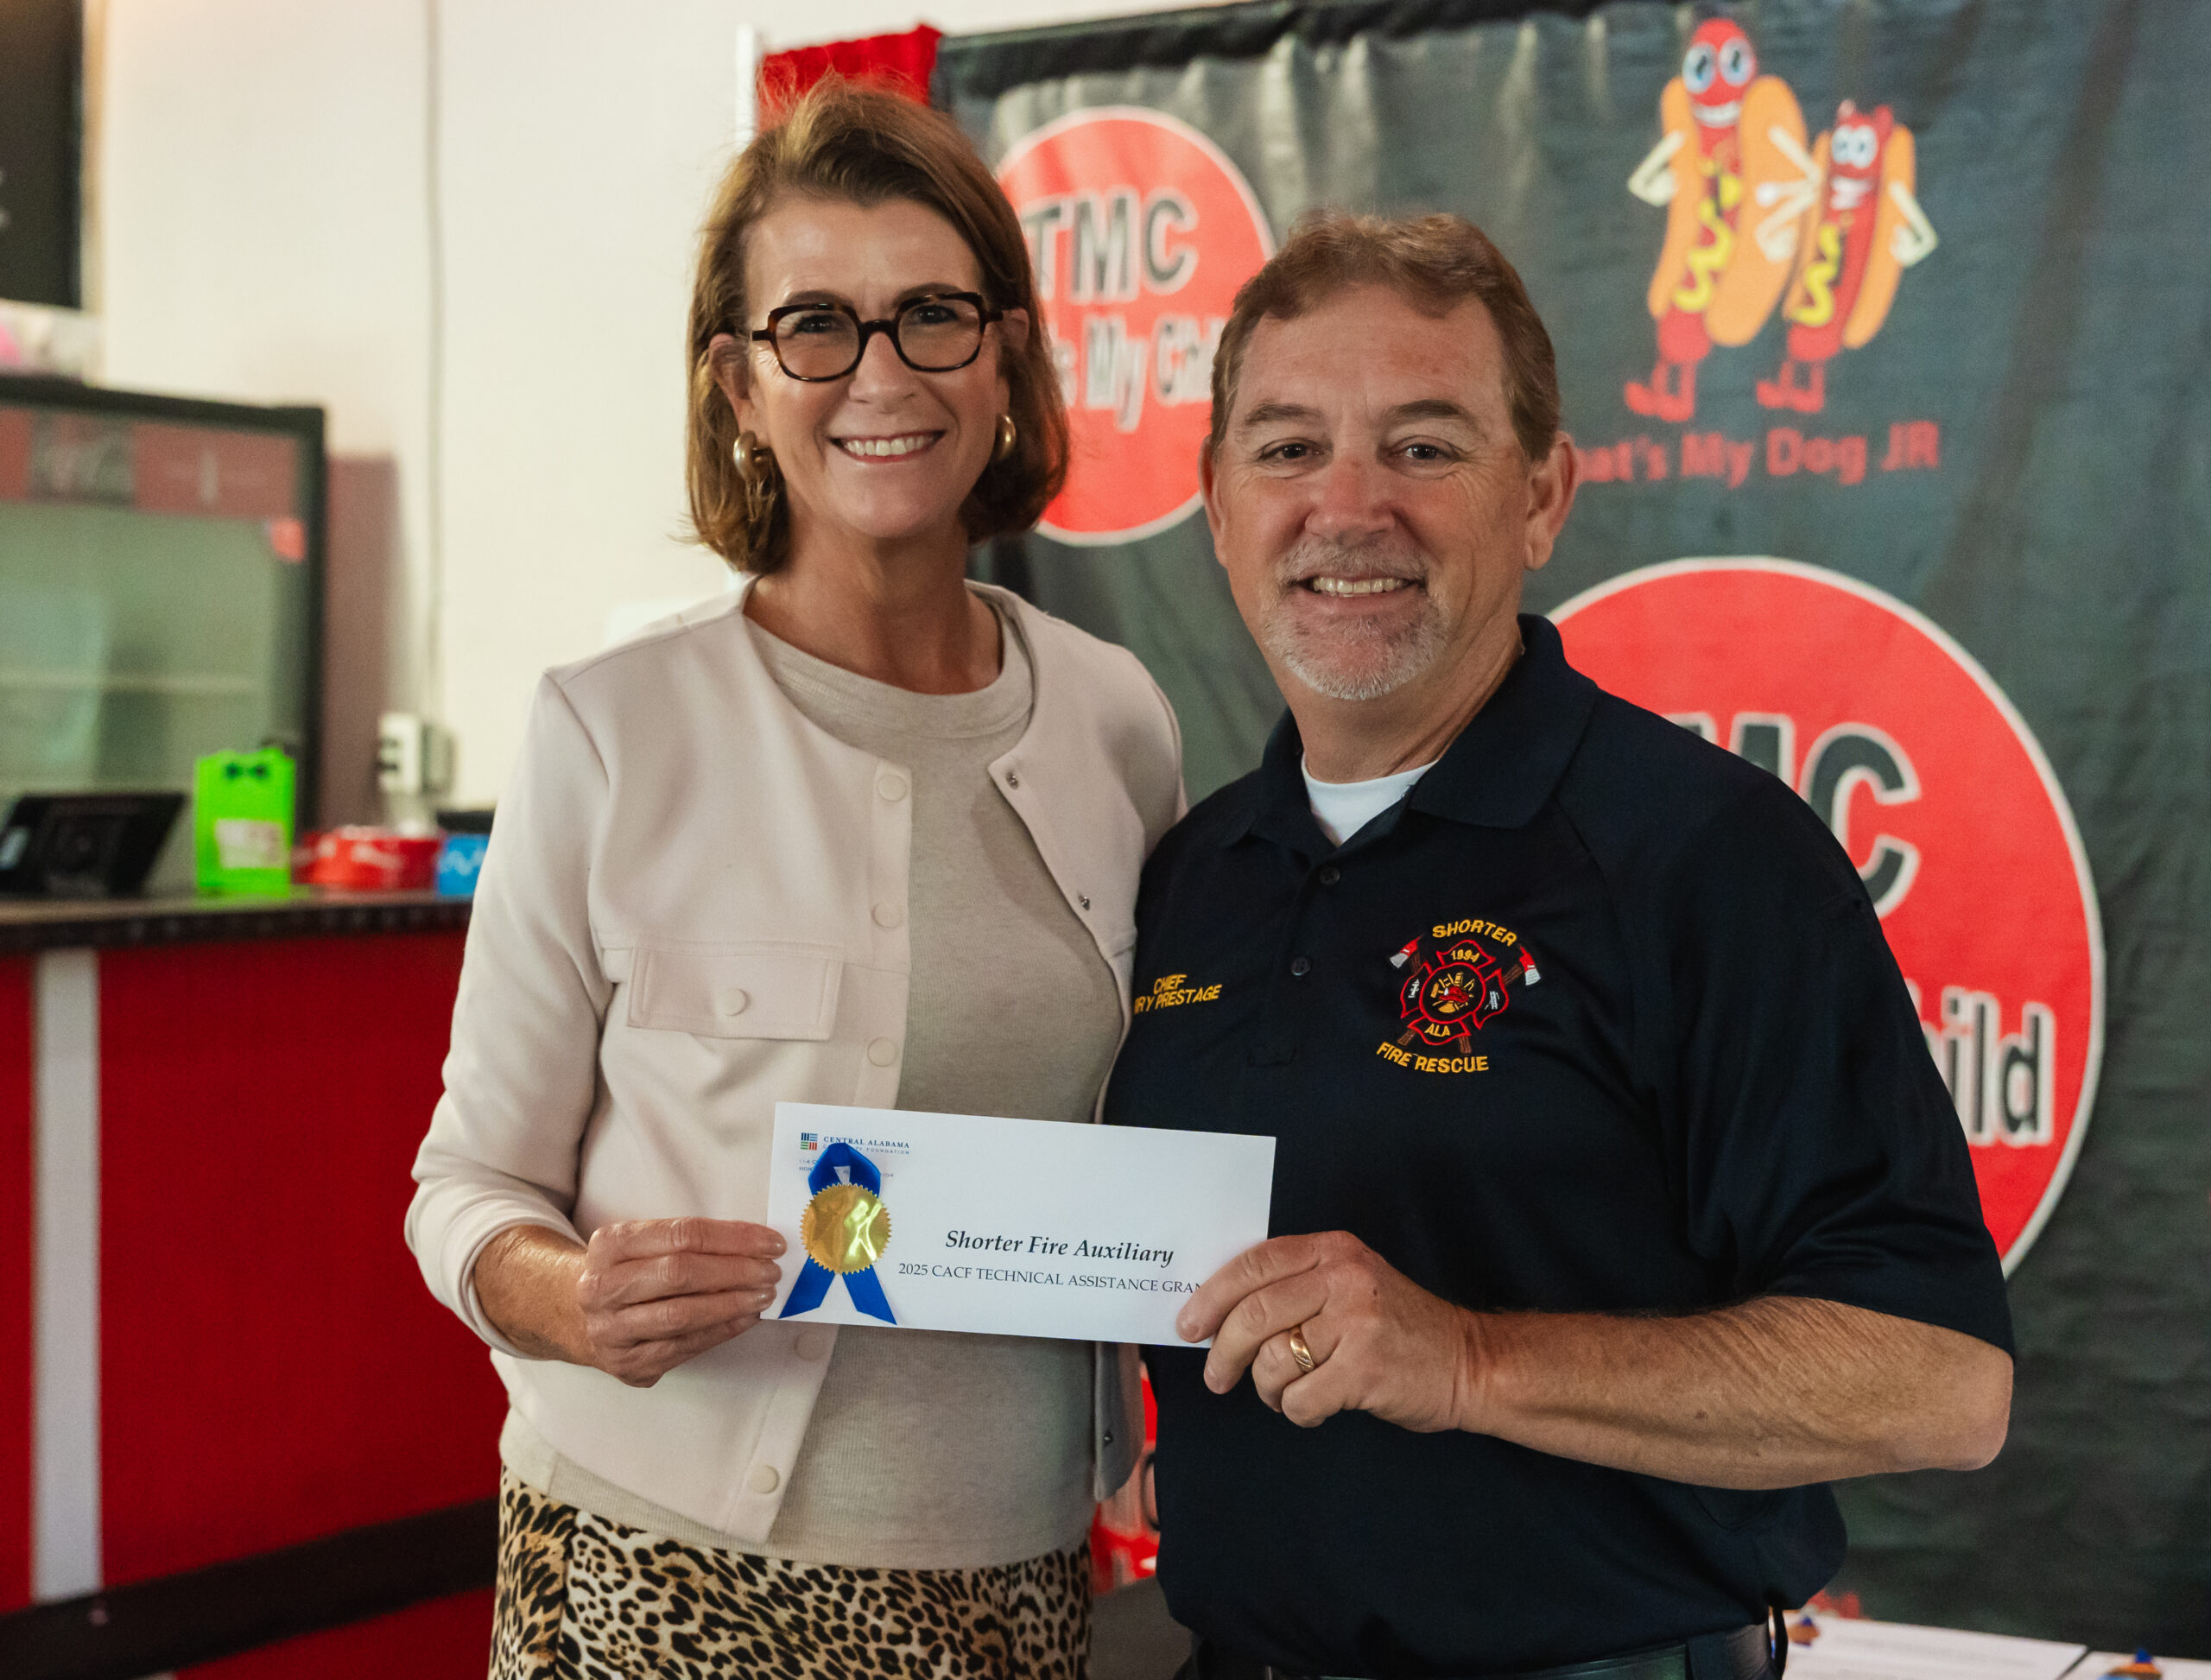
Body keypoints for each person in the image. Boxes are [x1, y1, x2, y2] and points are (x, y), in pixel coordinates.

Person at [1103, 212, 2013, 1680]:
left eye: (1424, 445)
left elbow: (1940, 1381)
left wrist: (1467, 1361)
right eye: (1284, 449)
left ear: (1542, 496)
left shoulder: (1705, 857)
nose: (1347, 506)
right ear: (1215, 507)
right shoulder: (1194, 873)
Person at [407, 81, 1182, 1679]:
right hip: (660, 1566)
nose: (881, 375)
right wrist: (566, 1294)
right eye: (814, 325)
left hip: (1025, 1570)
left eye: (934, 317)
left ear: (1008, 355)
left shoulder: (1119, 718)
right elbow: (462, 1188)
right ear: (739, 384)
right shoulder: (608, 728)